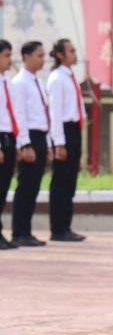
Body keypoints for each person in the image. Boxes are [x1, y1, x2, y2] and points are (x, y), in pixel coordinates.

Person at [46, 38, 87, 242]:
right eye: (70, 51)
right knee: (60, 182)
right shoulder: (56, 78)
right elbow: (55, 113)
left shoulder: (70, 76)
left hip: (74, 130)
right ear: (60, 54)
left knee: (69, 182)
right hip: (64, 130)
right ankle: (58, 228)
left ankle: (66, 226)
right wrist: (58, 143)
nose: (74, 54)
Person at [11, 41, 50, 247]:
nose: (43, 59)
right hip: (30, 137)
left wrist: (49, 142)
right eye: (39, 55)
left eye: (44, 55)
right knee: (25, 186)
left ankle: (26, 230)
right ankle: (19, 232)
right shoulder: (20, 82)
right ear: (26, 56)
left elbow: (44, 113)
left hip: (41, 136)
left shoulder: (38, 82)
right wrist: (25, 144)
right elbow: (20, 115)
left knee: (34, 186)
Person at [0, 40, 21, 250]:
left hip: (9, 138)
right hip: (1, 138)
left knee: (4, 188)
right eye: (6, 55)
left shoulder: (7, 82)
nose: (9, 60)